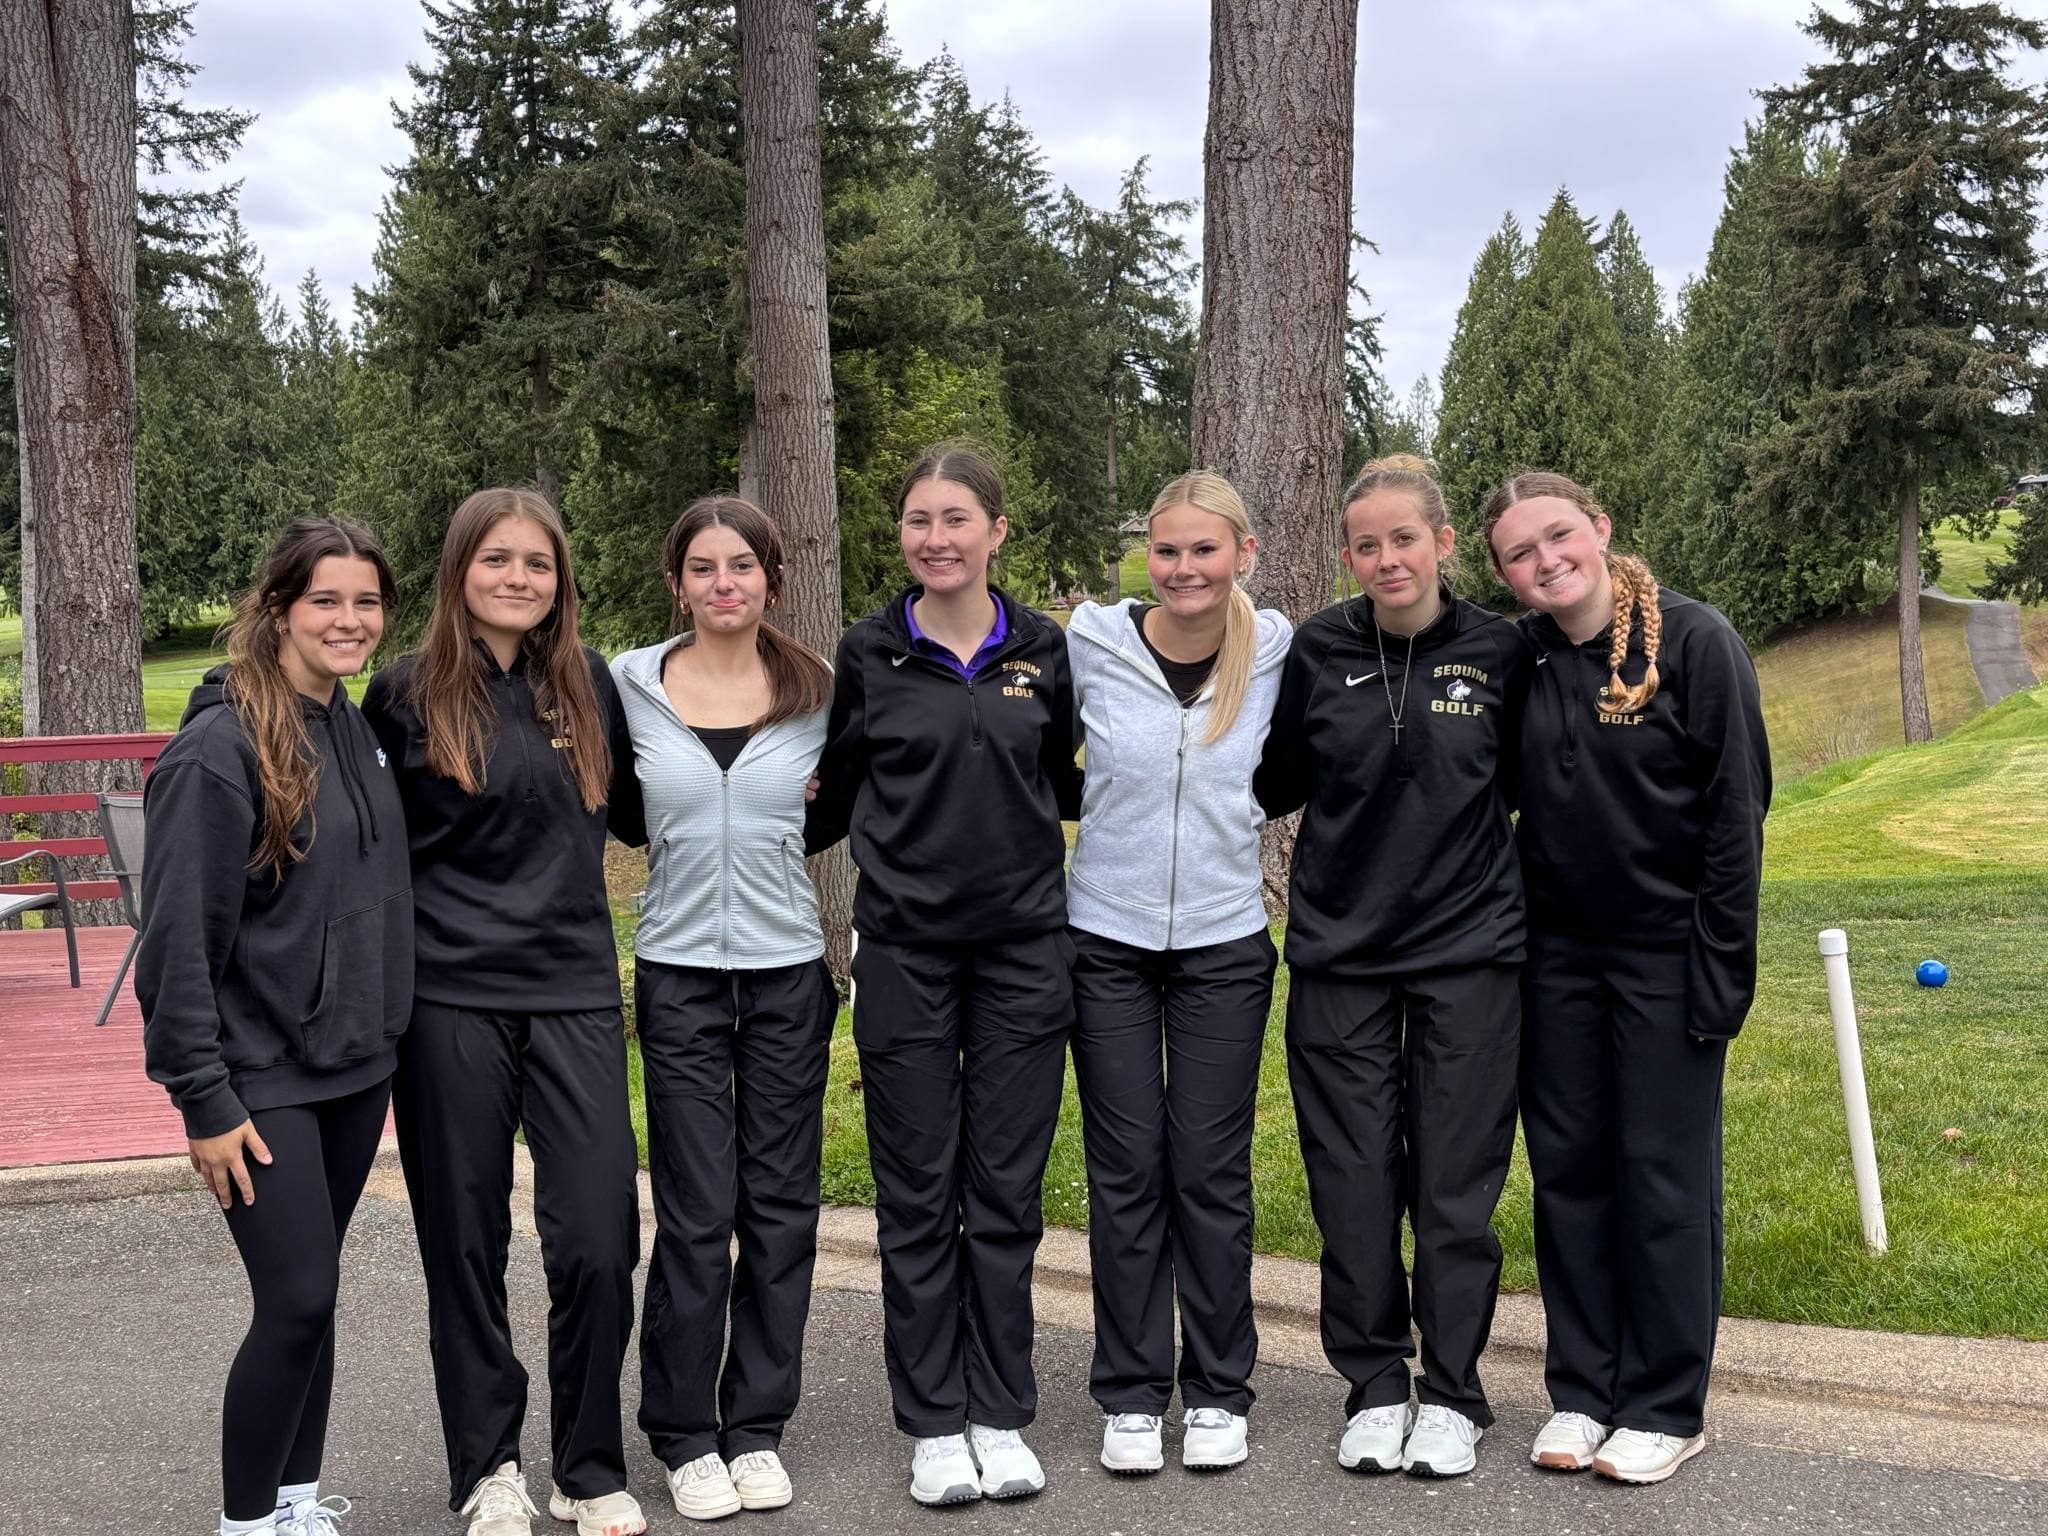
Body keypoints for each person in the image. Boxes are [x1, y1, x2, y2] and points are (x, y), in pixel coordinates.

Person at [362, 488, 646, 1536]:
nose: (518, 578)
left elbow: (646, 807)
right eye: (497, 559)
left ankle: (587, 1466)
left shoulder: (588, 683)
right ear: (459, 569)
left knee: (599, 1239)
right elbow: (359, 837)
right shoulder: (402, 693)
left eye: (537, 562)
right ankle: (488, 1467)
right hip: (449, 998)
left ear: (559, 580)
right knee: (464, 1244)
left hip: (573, 989)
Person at [806, 441, 1084, 1509]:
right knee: (917, 1195)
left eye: (956, 519)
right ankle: (932, 1421)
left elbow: (1059, 782)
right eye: (918, 520)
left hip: (1024, 953)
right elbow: (831, 795)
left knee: (1004, 1193)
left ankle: (999, 1412)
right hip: (905, 953)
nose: (936, 538)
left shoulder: (1043, 649)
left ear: (995, 532)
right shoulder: (868, 652)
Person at [1481, 470, 1769, 1486]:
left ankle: (1662, 1404)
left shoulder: (1694, 642)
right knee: (1568, 1174)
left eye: (1558, 536)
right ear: (1504, 574)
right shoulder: (1520, 658)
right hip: (1552, 961)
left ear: (1599, 528)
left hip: (1667, 959)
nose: (1546, 561)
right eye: (1519, 553)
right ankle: (1583, 1390)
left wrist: (1719, 977)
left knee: (1660, 1177)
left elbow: (1735, 818)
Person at [1253, 454, 1533, 1480]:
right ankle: (1373, 1384)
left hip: (1469, 955)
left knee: (1454, 1186)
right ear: (1348, 556)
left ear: (1442, 543)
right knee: (1353, 1181)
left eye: (1403, 539)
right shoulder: (1319, 649)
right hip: (1341, 954)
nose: (1386, 559)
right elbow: (1275, 779)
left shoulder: (1499, 652)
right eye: (1365, 545)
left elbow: (1522, 784)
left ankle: (1452, 1394)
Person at [138, 518, 410, 1536]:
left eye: (366, 601)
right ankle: (246, 1525)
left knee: (316, 1292)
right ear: (280, 607)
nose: (349, 620)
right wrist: (203, 1100)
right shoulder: (219, 750)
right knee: (296, 1297)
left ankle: (296, 1506)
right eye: (325, 600)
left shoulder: (352, 726)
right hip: (258, 1076)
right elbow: (176, 944)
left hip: (353, 1065)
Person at [610, 496, 838, 1521]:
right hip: (679, 975)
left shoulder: (817, 689)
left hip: (788, 974)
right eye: (702, 568)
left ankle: (754, 1428)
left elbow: (836, 808)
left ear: (771, 580)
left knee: (781, 1212)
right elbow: (620, 807)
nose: (723, 584)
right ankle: (684, 1434)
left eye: (741, 566)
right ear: (678, 584)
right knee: (698, 1214)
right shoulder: (629, 684)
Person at [1062, 470, 1290, 1476]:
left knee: (1207, 1168)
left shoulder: (1275, 649)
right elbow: (1031, 750)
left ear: (1242, 553)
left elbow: (1306, 759)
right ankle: (1128, 1391)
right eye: (1166, 550)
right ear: (1143, 556)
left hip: (1223, 943)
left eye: (1204, 549)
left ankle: (1217, 1390)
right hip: (1104, 940)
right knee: (1124, 1170)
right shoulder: (1091, 643)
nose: (1184, 568)